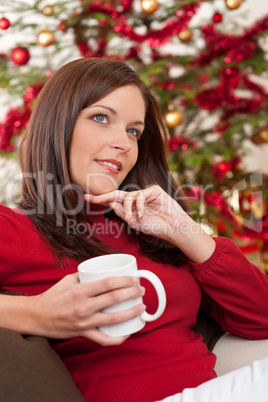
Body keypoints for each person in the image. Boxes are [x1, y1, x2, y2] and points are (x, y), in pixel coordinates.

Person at [0, 57, 268, 402]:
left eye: (133, 131)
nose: (124, 144)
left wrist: (183, 230)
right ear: (58, 125)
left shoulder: (150, 230)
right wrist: (38, 314)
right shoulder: (17, 229)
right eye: (101, 118)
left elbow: (261, 318)